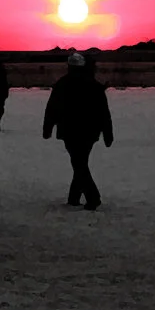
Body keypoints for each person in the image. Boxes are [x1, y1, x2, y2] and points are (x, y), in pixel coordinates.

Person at [42, 53, 114, 210]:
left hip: (70, 131)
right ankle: (74, 197)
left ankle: (92, 197)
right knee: (80, 162)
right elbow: (103, 112)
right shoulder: (93, 85)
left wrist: (48, 128)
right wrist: (108, 133)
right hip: (89, 132)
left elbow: (52, 108)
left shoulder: (63, 83)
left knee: (79, 163)